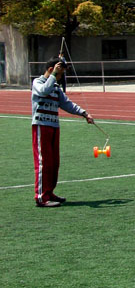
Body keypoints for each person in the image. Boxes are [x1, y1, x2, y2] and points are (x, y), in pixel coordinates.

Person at [31, 57, 95, 207]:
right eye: (60, 74)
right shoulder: (38, 82)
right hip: (41, 126)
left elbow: (66, 104)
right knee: (43, 162)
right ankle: (41, 197)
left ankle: (49, 192)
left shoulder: (56, 87)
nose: (61, 77)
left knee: (54, 163)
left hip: (54, 126)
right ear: (51, 70)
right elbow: (43, 91)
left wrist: (84, 114)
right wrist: (53, 75)